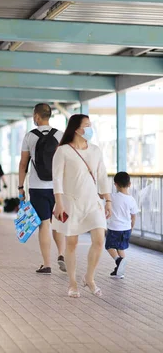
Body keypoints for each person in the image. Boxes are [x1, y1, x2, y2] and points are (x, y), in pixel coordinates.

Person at [52, 114, 112, 298]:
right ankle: (72, 283)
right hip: (71, 203)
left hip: (93, 202)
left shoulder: (95, 150)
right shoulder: (63, 151)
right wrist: (59, 203)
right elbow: (57, 178)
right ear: (77, 129)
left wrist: (108, 200)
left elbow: (102, 175)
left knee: (99, 239)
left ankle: (89, 278)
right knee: (72, 243)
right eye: (87, 125)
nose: (90, 128)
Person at [18, 103, 66, 275]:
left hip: (38, 187)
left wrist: (20, 187)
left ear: (37, 116)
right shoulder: (60, 135)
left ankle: (47, 264)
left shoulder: (30, 137)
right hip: (58, 187)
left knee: (44, 224)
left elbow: (23, 164)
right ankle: (61, 254)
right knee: (58, 222)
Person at [106, 171, 138, 279]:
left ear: (115, 184)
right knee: (121, 248)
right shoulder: (132, 200)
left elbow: (103, 196)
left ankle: (118, 261)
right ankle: (120, 272)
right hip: (127, 228)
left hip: (115, 227)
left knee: (109, 246)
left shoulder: (112, 197)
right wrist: (132, 227)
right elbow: (133, 216)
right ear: (129, 184)